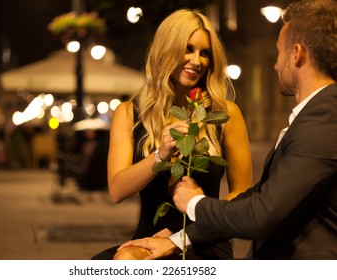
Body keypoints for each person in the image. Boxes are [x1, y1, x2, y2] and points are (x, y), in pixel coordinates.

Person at [119, 0, 337, 259]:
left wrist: (194, 203)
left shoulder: (324, 117)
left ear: (297, 54)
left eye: (278, 52)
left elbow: (260, 214)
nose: (276, 65)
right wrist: (179, 240)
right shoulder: (318, 113)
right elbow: (258, 197)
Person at [91, 9, 252, 260]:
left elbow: (241, 195)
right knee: (124, 262)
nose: (197, 61)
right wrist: (160, 155)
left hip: (205, 240)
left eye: (205, 53)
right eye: (188, 49)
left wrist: (187, 235)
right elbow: (117, 190)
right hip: (150, 238)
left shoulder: (224, 114)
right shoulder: (130, 114)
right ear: (166, 50)